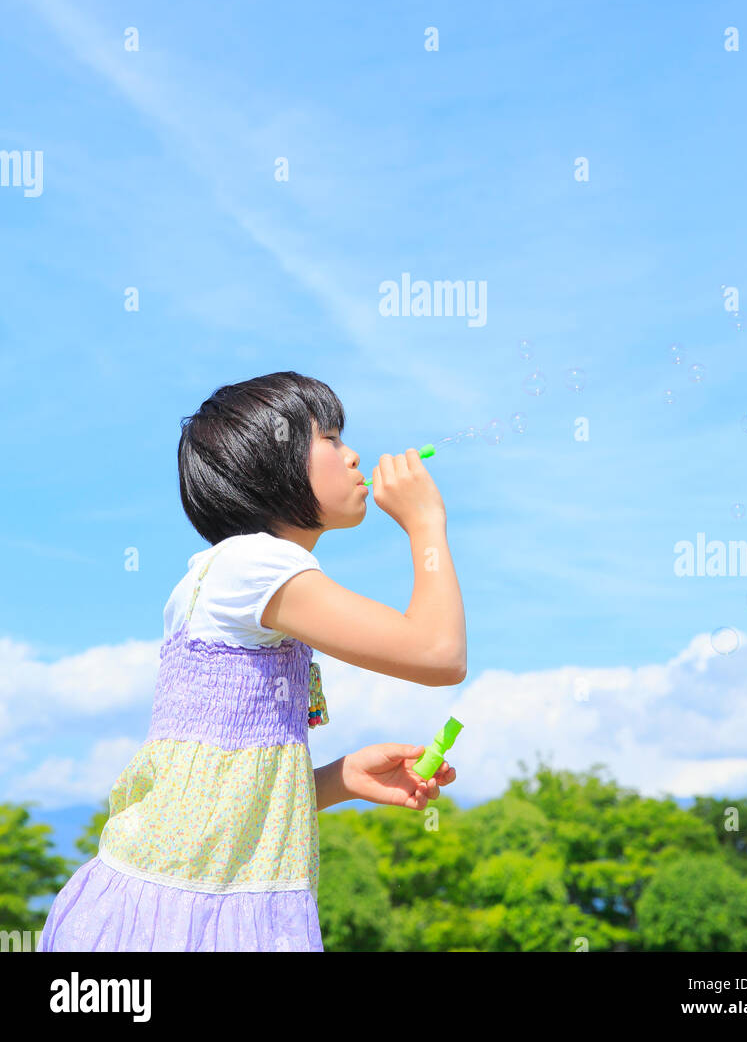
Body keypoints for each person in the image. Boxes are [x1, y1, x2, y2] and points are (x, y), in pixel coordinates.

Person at [38, 370, 466, 952]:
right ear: (273, 464)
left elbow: (215, 798)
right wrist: (426, 522)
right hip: (190, 916)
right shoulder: (255, 567)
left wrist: (342, 779)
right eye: (332, 439)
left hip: (163, 903)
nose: (354, 455)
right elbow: (439, 655)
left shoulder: (222, 577)